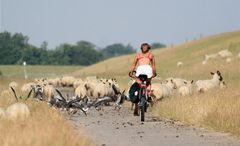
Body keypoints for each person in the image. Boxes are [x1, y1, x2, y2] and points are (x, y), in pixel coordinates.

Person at [129, 43, 156, 116]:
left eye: (145, 47)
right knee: (148, 82)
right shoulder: (150, 55)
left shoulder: (138, 55)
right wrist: (154, 73)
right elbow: (153, 65)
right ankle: (149, 94)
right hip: (147, 69)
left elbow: (134, 65)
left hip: (140, 69)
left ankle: (144, 96)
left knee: (138, 82)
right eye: (143, 47)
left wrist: (131, 72)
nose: (144, 48)